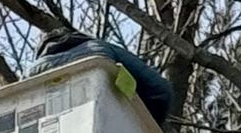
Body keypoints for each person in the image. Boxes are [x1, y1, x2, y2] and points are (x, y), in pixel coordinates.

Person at [29, 22, 175, 126]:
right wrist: (147, 126)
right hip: (111, 122)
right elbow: (160, 90)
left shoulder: (30, 72)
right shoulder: (100, 47)